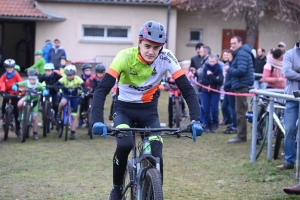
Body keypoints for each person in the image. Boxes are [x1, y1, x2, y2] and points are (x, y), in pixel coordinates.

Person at [91, 20, 203, 200]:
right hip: (124, 109)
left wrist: (196, 120)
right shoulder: (125, 57)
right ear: (139, 43)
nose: (151, 51)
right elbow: (102, 90)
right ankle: (117, 188)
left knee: (156, 152)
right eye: (147, 46)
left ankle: (155, 192)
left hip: (148, 111)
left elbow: (187, 90)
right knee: (125, 144)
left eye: (156, 47)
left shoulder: (166, 57)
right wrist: (96, 119)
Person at [276, 41, 300, 170]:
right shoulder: (290, 54)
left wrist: (296, 72)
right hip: (292, 97)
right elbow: (287, 73)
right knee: (289, 129)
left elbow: (292, 73)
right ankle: (289, 161)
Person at [227, 36, 255, 143]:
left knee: (240, 112)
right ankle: (241, 135)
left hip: (241, 86)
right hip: (240, 85)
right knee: (240, 111)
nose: (232, 45)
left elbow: (241, 70)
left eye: (234, 43)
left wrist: (229, 69)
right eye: (231, 43)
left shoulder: (242, 53)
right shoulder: (240, 53)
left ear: (240, 42)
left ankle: (241, 136)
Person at [54, 64, 88, 140]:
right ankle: (59, 114)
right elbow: (55, 85)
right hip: (66, 96)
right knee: (62, 102)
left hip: (74, 97)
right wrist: (58, 91)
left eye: (71, 75)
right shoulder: (63, 79)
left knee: (74, 116)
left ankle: (72, 133)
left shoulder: (77, 79)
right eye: (68, 75)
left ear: (74, 74)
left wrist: (84, 92)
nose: (69, 76)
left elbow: (84, 86)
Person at [12, 69, 46, 140]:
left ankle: (35, 133)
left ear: (36, 79)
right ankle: (21, 113)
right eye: (30, 79)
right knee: (19, 104)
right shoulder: (26, 82)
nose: (31, 81)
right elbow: (18, 83)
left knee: (34, 118)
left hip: (35, 101)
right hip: (27, 98)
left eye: (33, 79)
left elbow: (43, 89)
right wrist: (15, 85)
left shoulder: (38, 84)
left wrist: (44, 92)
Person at [201, 54, 224, 133]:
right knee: (206, 109)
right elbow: (203, 80)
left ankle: (215, 125)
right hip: (205, 92)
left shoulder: (219, 69)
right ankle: (207, 125)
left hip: (215, 91)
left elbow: (220, 81)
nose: (212, 63)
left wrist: (211, 75)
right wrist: (214, 79)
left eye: (213, 61)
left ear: (216, 61)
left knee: (214, 109)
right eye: (210, 61)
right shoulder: (205, 68)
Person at [0, 59, 23, 137]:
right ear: (5, 68)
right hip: (7, 93)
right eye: (7, 67)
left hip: (15, 94)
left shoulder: (16, 74)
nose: (9, 69)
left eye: (11, 67)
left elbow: (21, 83)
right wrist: (2, 91)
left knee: (16, 113)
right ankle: (3, 117)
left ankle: (18, 129)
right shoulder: (4, 75)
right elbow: (1, 82)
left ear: (13, 67)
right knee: (3, 106)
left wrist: (19, 88)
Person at [222, 51, 237, 134]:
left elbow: (233, 79)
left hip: (231, 89)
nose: (227, 56)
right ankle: (231, 122)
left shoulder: (233, 65)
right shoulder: (229, 64)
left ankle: (235, 125)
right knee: (224, 106)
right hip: (227, 89)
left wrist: (227, 85)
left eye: (229, 55)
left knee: (233, 108)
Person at [78, 63, 95, 128]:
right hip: (84, 94)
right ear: (83, 71)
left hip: (92, 93)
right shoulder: (81, 77)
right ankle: (81, 120)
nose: (88, 72)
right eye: (86, 70)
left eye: (89, 70)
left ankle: (91, 120)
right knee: (82, 106)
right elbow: (78, 84)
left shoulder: (93, 77)